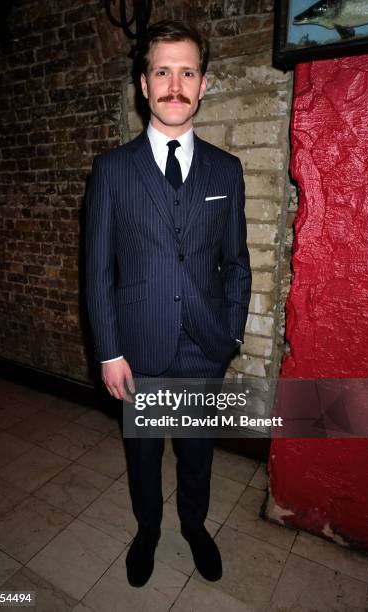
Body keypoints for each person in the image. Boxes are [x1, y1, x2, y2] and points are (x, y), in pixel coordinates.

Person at [86, 20, 251, 587]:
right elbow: (98, 270)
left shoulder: (226, 170)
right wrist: (108, 352)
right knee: (144, 458)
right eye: (163, 71)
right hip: (139, 349)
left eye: (187, 72)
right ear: (143, 83)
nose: (174, 84)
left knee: (198, 456)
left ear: (204, 84)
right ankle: (149, 530)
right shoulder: (111, 171)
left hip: (204, 348)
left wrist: (230, 335)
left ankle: (195, 526)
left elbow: (237, 262)